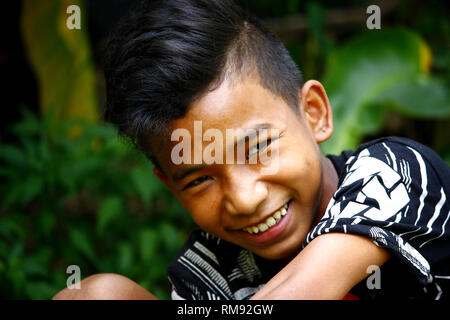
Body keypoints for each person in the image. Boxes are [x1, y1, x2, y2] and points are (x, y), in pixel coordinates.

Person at [53, 0, 450, 300]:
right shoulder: (209, 268)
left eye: (258, 147)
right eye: (200, 179)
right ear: (170, 186)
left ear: (314, 113)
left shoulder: (396, 173)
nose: (244, 199)